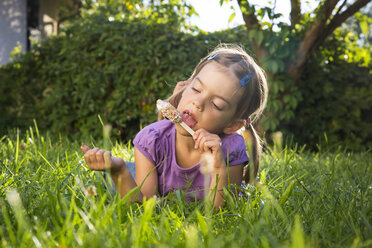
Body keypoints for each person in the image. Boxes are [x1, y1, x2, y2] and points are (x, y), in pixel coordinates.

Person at [81, 43, 268, 208]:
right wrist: (118, 170)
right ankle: (126, 168)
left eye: (217, 104)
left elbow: (221, 212)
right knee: (121, 180)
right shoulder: (152, 140)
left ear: (232, 125)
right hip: (153, 169)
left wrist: (219, 167)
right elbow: (143, 207)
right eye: (196, 89)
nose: (198, 102)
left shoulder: (229, 148)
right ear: (186, 86)